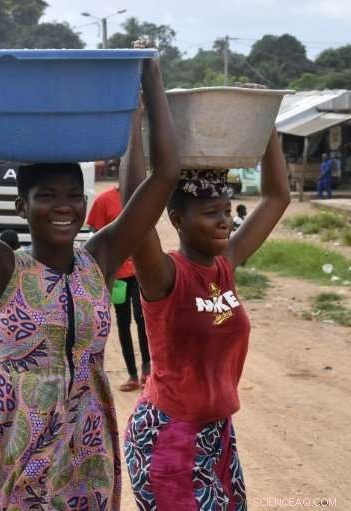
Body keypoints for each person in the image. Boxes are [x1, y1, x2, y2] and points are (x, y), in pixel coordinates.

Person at [0, 37, 179, 509]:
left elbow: (164, 177)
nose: (63, 206)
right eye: (47, 195)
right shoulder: (2, 269)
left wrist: (149, 78)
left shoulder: (99, 259)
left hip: (89, 449)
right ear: (23, 205)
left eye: (74, 195)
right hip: (22, 450)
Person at [121, 118, 290, 508]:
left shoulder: (225, 265)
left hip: (216, 432)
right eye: (212, 212)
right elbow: (134, 209)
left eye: (228, 211)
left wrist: (267, 125)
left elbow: (277, 198)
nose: (226, 222)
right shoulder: (165, 275)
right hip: (169, 436)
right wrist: (135, 116)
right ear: (177, 221)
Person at [87, 184, 151, 392]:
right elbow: (96, 235)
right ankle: (132, 375)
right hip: (118, 275)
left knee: (143, 320)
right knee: (123, 323)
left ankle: (147, 372)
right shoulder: (104, 200)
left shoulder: (143, 196)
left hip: (140, 270)